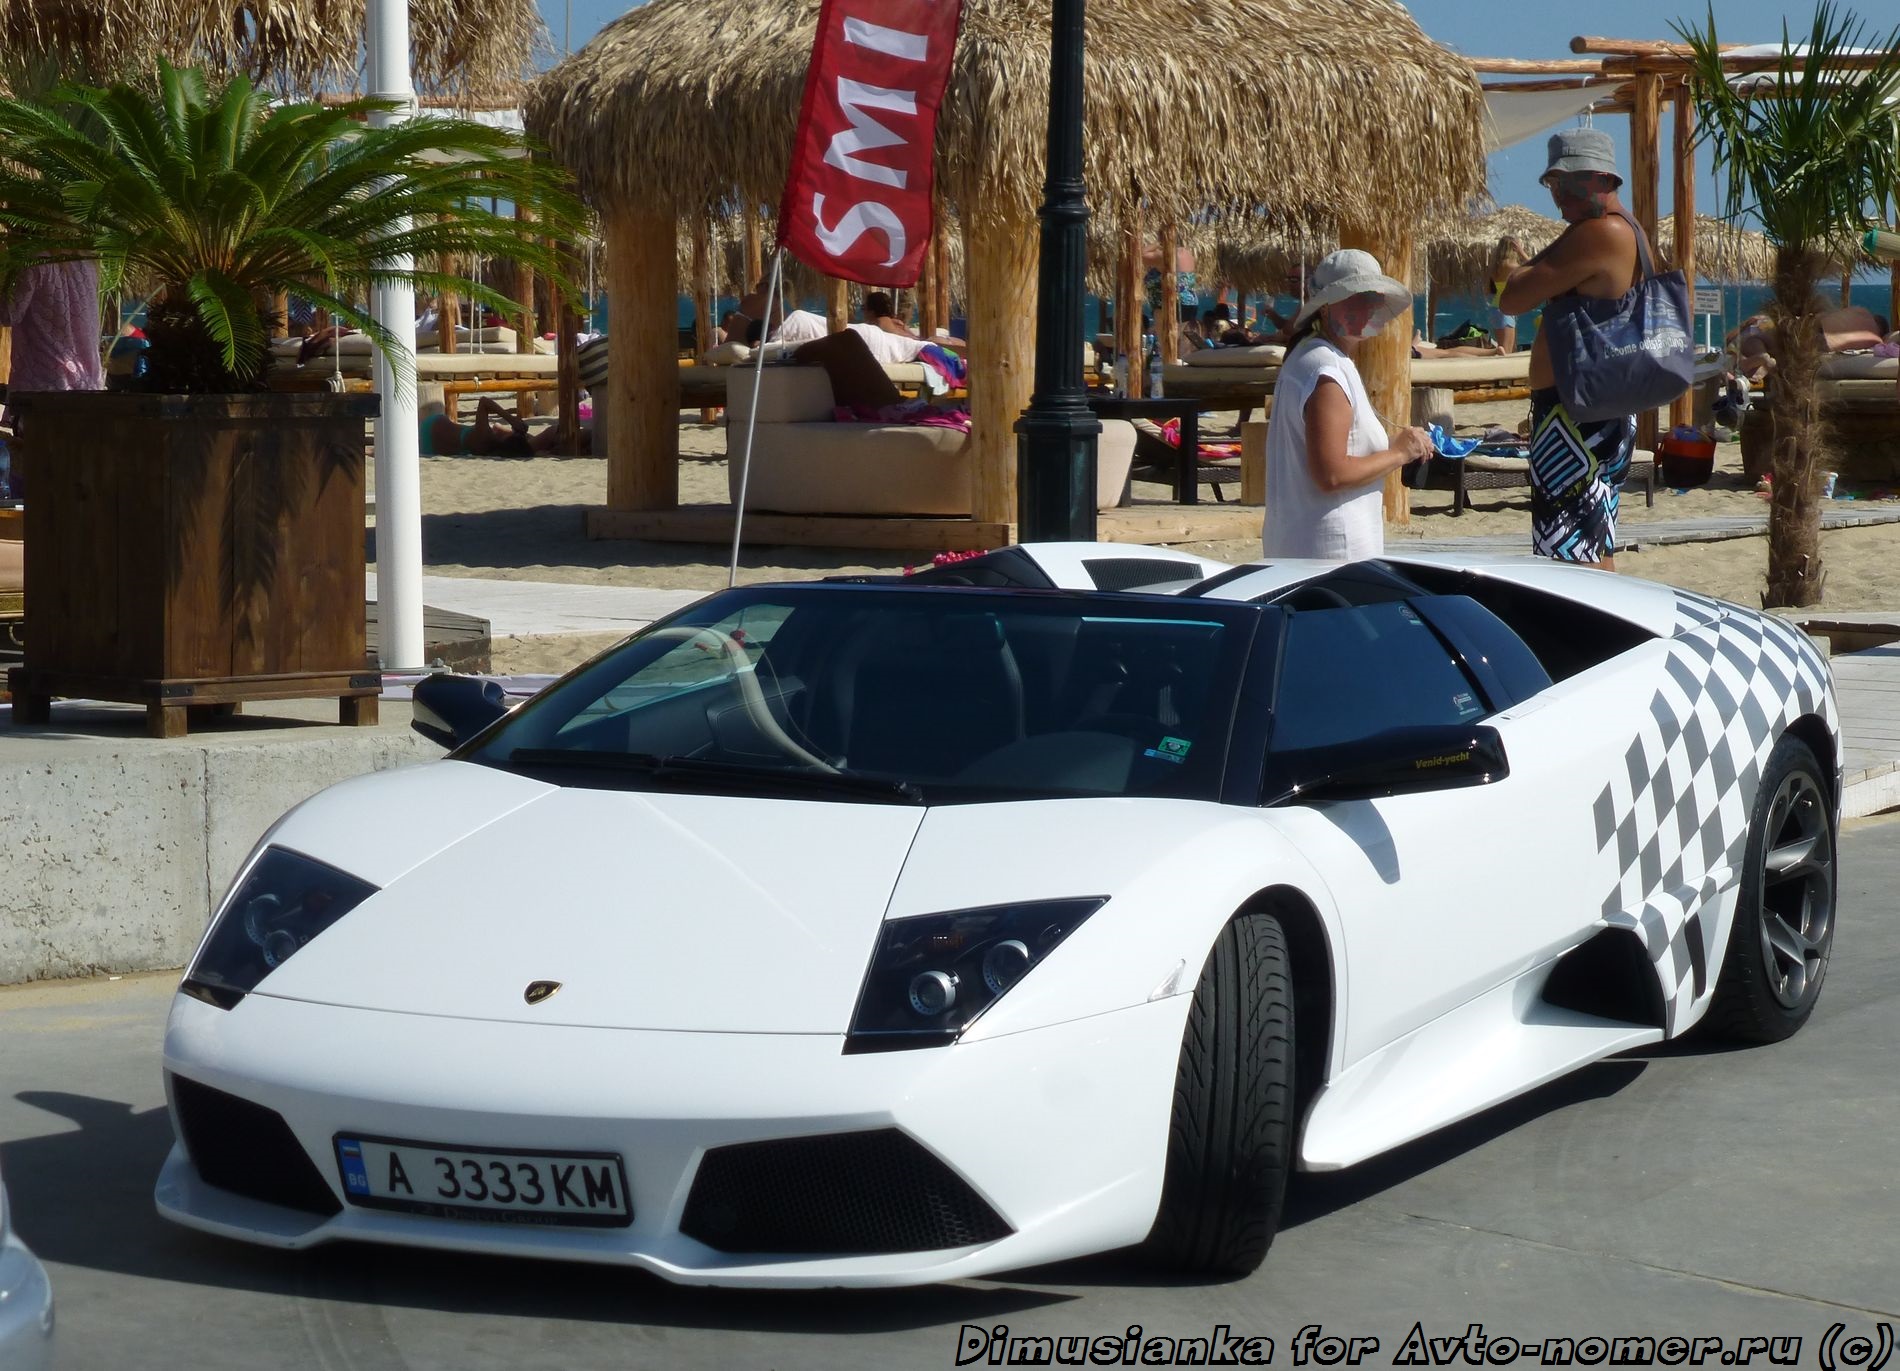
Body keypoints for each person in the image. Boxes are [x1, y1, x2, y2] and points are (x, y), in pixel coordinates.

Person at [1498, 128, 1644, 569]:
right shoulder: (1625, 229)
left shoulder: (1599, 232)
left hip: (1576, 413)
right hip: (1596, 403)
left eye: (1567, 181)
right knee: (1593, 541)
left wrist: (1531, 262)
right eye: (1552, 183)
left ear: (1603, 178)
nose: (1558, 195)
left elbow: (1512, 296)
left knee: (1570, 552)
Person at [1261, 249, 1433, 560]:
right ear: (1326, 306)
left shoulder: (1310, 357)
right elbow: (1332, 475)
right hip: (1332, 551)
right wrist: (1399, 453)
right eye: (1356, 297)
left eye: (1373, 297)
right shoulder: (1325, 368)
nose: (1369, 307)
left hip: (1304, 543)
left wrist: (1396, 445)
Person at [0, 257, 106, 498]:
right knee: (75, 465)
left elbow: (8, 313)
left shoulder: (33, 265)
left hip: (42, 382)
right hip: (86, 381)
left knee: (41, 468)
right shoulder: (86, 264)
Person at [420, 396, 581, 456]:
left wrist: (512, 420)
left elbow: (484, 402)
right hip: (433, 447)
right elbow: (522, 448)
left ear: (506, 439)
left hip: (431, 428)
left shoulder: (483, 437)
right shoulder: (490, 449)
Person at [1485, 236, 1530, 352]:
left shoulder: (1494, 267)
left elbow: (1487, 290)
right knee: (1506, 351)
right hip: (1505, 310)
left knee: (1506, 349)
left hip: (1497, 307)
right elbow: (1533, 267)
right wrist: (1521, 252)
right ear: (1513, 249)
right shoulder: (1511, 266)